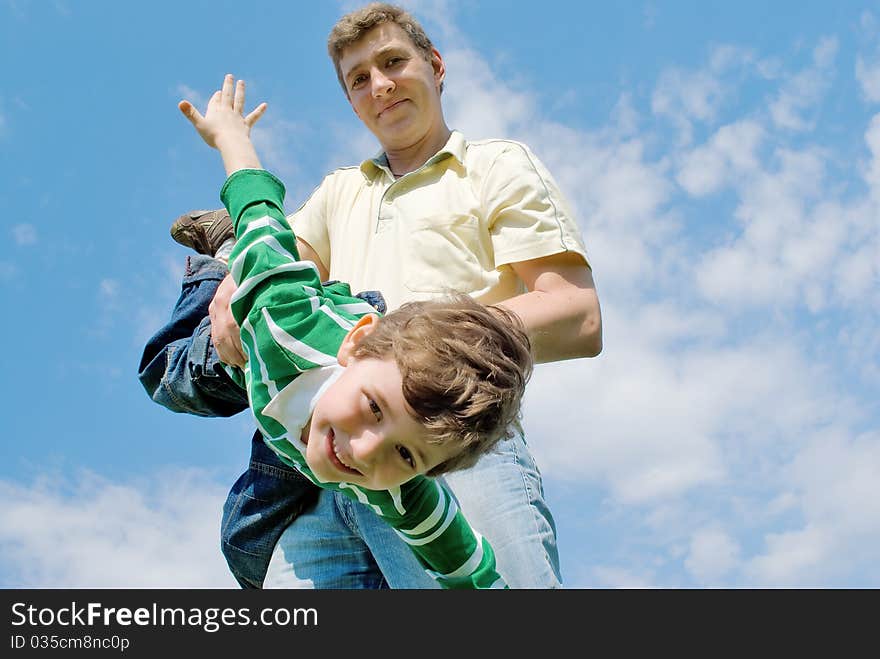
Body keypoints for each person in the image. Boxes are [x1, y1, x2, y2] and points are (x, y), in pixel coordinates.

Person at [143, 2, 602, 589]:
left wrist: (409, 340)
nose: (379, 85)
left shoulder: (494, 164)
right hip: (313, 469)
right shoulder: (339, 190)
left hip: (434, 440)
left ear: (435, 65)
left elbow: (576, 315)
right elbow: (276, 272)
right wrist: (234, 285)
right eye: (358, 79)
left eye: (393, 62)